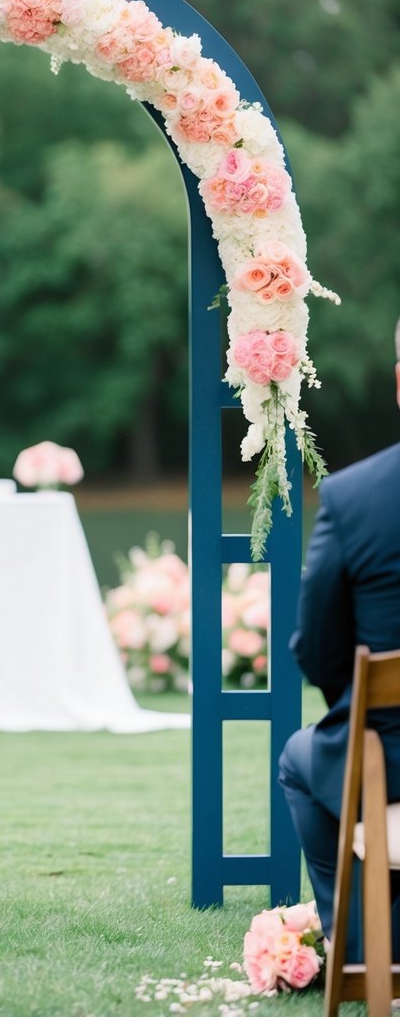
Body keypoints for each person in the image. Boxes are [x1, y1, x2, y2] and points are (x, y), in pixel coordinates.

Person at [279, 317, 400, 958]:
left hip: (393, 758)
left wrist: (360, 706)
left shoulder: (355, 498)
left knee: (303, 760)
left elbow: (315, 646)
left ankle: (362, 949)